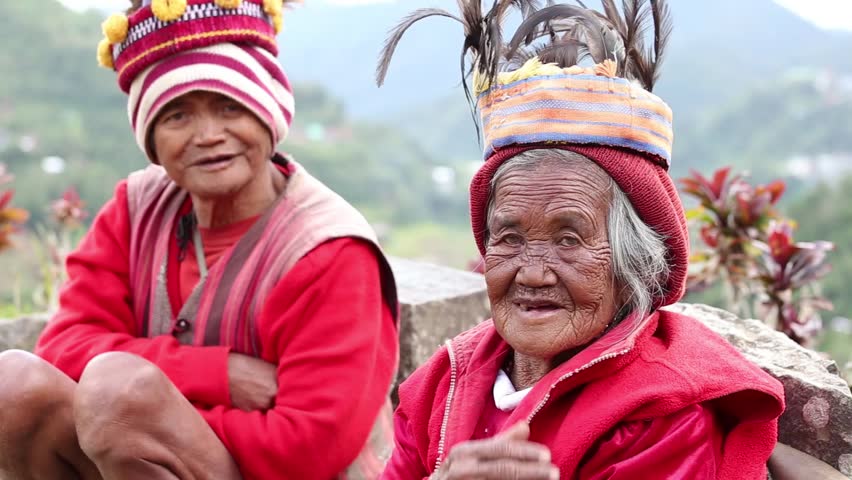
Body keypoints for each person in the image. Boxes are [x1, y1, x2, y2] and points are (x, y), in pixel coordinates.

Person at [376, 1, 787, 478]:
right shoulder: (443, 385)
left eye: (568, 240)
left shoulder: (659, 416)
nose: (531, 272)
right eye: (508, 237)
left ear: (633, 263)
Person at [0, 1, 398, 479]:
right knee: (15, 385)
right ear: (150, 136)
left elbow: (308, 448)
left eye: (230, 106)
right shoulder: (135, 210)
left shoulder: (328, 251)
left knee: (118, 396)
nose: (208, 136)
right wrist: (217, 373)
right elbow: (63, 345)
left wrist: (152, 418)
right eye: (177, 116)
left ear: (268, 111)